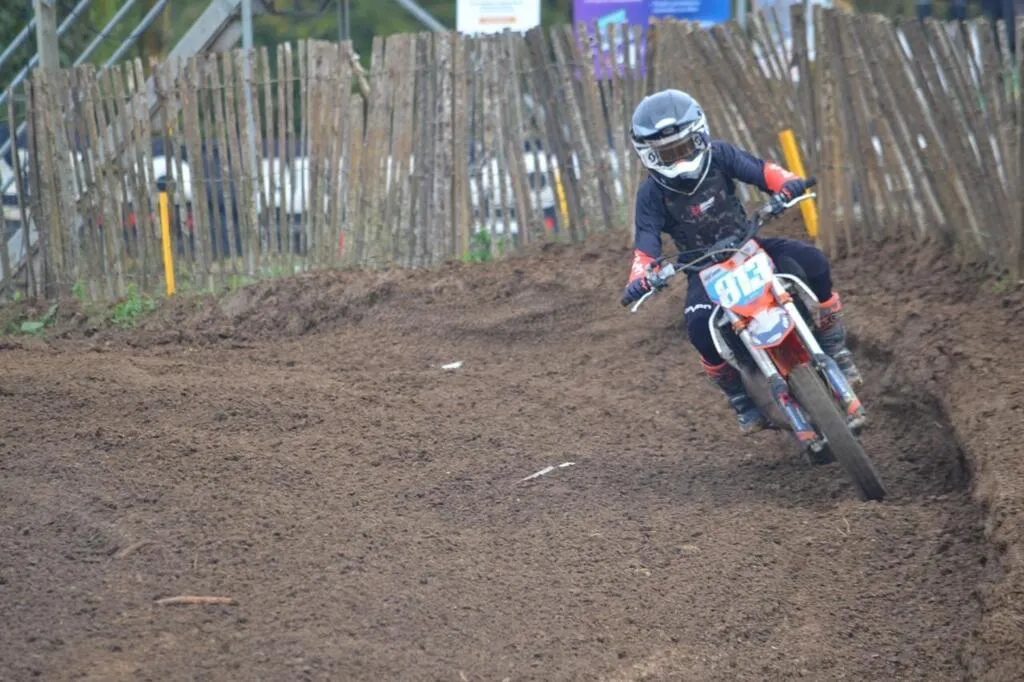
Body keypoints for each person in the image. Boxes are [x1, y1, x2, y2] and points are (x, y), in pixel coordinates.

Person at [620, 89, 861, 434]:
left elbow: (762, 172)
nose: (679, 159)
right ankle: (740, 399)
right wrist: (642, 276)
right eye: (667, 154)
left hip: (748, 244)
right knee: (699, 330)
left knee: (814, 263)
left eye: (685, 147)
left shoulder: (721, 155)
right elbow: (646, 243)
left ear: (700, 135)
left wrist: (787, 185)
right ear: (649, 156)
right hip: (702, 270)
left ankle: (834, 346)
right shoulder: (651, 194)